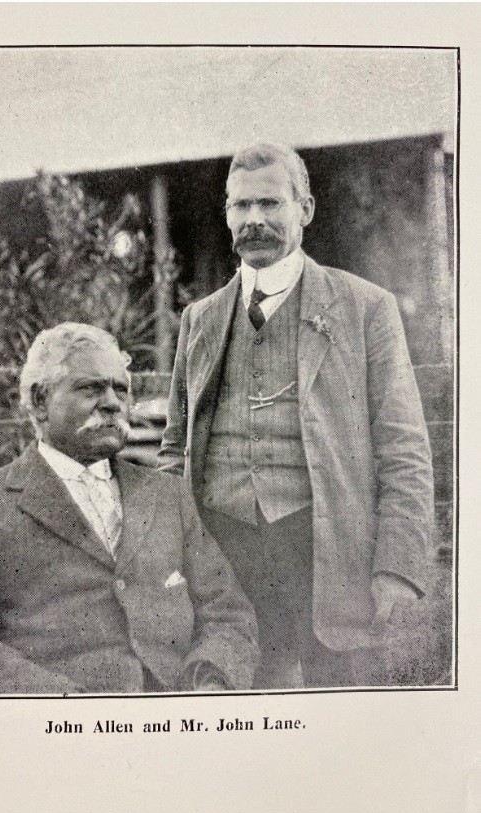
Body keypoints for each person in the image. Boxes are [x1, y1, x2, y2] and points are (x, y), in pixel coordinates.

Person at [158, 142, 434, 689]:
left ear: (304, 209)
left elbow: (405, 451)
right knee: (243, 714)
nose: (253, 220)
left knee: (338, 730)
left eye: (270, 204)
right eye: (240, 207)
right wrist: (166, 554)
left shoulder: (365, 308)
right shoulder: (201, 319)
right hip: (225, 557)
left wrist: (397, 569)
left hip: (326, 554)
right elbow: (174, 449)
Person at [0, 322, 258, 695]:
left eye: (121, 389)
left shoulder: (169, 495)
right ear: (39, 401)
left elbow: (228, 614)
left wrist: (209, 684)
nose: (113, 403)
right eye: (90, 388)